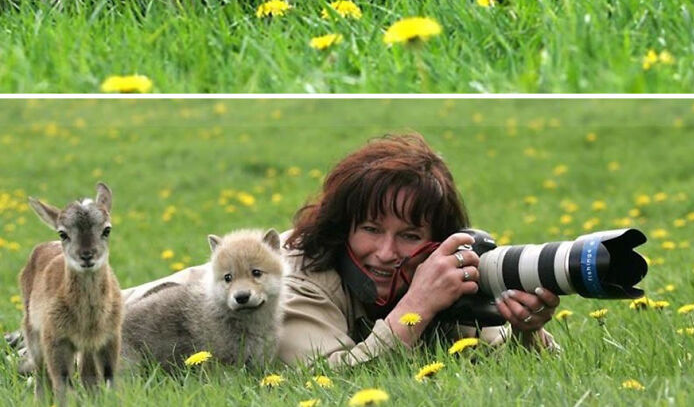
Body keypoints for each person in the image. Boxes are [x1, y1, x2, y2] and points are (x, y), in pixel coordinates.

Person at [118, 133, 560, 366]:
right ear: (342, 225)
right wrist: (417, 308)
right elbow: (325, 381)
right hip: (111, 332)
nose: (386, 252)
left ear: (435, 241)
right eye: (370, 228)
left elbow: (499, 353)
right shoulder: (295, 279)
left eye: (408, 235)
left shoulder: (432, 273)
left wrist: (526, 329)